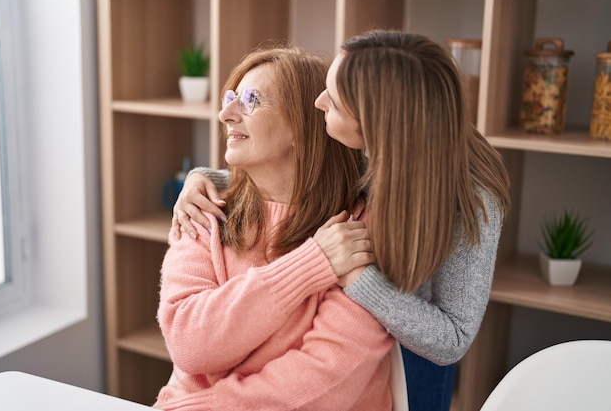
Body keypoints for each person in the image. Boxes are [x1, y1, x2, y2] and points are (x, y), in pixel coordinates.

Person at [171, 30, 511, 411]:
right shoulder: (374, 146)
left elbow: (452, 338)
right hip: (366, 304)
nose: (318, 102)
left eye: (332, 100)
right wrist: (206, 180)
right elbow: (304, 169)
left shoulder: (473, 199)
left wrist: (359, 280)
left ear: (375, 123)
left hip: (418, 343)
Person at [154, 46, 395, 411]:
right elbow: (189, 342)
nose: (226, 114)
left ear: (303, 126)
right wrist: (311, 263)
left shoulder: (360, 229)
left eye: (251, 99)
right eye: (230, 98)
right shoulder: (202, 209)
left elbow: (325, 379)